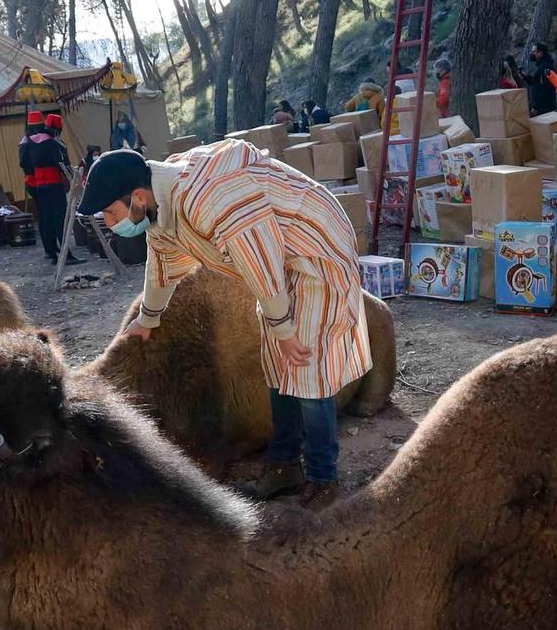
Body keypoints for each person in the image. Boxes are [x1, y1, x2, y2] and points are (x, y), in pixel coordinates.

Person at [78, 142, 372, 508]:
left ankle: (324, 478)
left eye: (109, 211)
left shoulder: (208, 198)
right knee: (278, 368)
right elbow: (163, 265)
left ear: (137, 197)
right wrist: (147, 318)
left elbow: (259, 259)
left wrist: (284, 327)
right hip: (279, 262)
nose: (108, 223)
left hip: (315, 250)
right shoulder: (161, 205)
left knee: (306, 366)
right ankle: (284, 466)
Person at [19, 109, 77, 262]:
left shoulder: (28, 142)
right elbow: (61, 163)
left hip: (38, 184)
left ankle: (51, 252)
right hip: (53, 183)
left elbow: (25, 163)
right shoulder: (51, 143)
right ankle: (67, 254)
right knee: (60, 218)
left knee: (46, 218)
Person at [521, 42, 557, 117]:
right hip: (542, 107)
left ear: (540, 53)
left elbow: (542, 89)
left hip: (545, 108)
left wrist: (536, 106)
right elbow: (535, 83)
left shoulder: (545, 68)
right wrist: (525, 77)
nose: (532, 54)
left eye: (534, 52)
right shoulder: (540, 66)